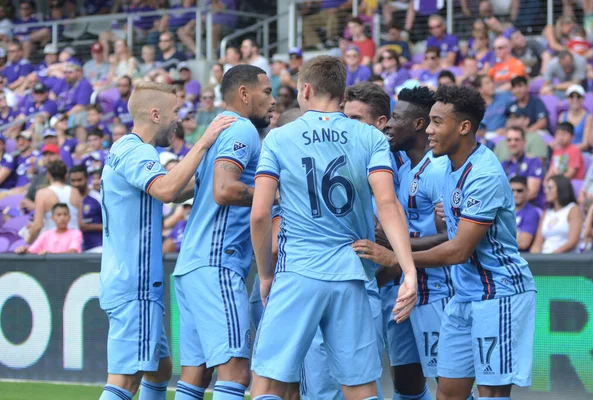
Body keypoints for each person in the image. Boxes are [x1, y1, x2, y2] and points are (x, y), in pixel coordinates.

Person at [250, 55, 417, 400]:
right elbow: (387, 204)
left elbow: (259, 214)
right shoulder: (370, 138)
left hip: (298, 270)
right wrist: (409, 271)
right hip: (351, 274)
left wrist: (266, 276)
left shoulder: (279, 139)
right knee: (360, 388)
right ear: (341, 94)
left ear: (306, 89)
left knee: (267, 383)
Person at [355, 85, 537, 399]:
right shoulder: (449, 167)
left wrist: (397, 258)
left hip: (498, 293)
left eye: (437, 122)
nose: (429, 130)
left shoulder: (485, 175)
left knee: (492, 393)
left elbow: (459, 249)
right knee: (448, 392)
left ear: (464, 127)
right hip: (462, 295)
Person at [98, 81, 235, 400]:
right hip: (137, 283)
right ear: (156, 114)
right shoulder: (139, 151)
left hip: (122, 276)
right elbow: (165, 190)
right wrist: (204, 143)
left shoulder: (121, 148)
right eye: (175, 112)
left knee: (159, 368)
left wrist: (214, 180)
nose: (178, 119)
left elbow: (170, 189)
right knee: (125, 380)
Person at [172, 64, 274, 400]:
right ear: (245, 94)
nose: (272, 101)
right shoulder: (241, 129)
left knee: (195, 374)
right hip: (217, 262)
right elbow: (226, 190)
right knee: (235, 371)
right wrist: (277, 193)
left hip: (191, 262)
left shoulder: (218, 131)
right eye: (267, 92)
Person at [359, 86, 456, 400]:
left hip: (438, 291)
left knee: (451, 384)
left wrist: (392, 247)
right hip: (405, 290)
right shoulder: (403, 169)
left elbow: (456, 239)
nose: (387, 125)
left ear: (417, 124)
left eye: (396, 118)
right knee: (407, 384)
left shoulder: (440, 169)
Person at [26, 159, 81, 245]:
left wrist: (28, 244)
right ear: (66, 175)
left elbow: (38, 226)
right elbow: (79, 223)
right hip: (74, 243)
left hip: (52, 245)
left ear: (48, 175)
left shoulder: (42, 193)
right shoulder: (76, 192)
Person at [530, 175, 583, 254]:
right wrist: (534, 259)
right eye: (545, 188)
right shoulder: (546, 212)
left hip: (564, 260)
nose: (546, 191)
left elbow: (573, 241)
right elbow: (537, 243)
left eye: (550, 188)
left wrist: (551, 257)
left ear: (561, 189)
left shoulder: (573, 209)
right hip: (545, 258)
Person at [500, 126, 545, 208]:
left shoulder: (533, 161)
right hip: (509, 209)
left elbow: (532, 193)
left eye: (516, 140)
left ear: (524, 142)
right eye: (509, 140)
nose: (512, 143)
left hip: (531, 209)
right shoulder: (504, 164)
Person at [15, 203, 83, 255]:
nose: (62, 218)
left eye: (65, 214)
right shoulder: (46, 234)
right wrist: (24, 249)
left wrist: (51, 255)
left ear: (69, 217)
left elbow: (73, 252)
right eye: (59, 215)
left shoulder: (76, 233)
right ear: (53, 218)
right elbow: (32, 250)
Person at [69, 165, 103, 253]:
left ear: (87, 179)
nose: (76, 184)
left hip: (96, 247)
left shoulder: (97, 198)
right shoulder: (68, 198)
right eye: (73, 181)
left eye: (80, 180)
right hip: (73, 249)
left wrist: (88, 227)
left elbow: (110, 225)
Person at [510, 175, 542, 252]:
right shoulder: (502, 211)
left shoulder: (532, 212)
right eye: (512, 190)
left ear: (527, 191)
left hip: (520, 258)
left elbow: (524, 243)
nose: (515, 194)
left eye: (519, 190)